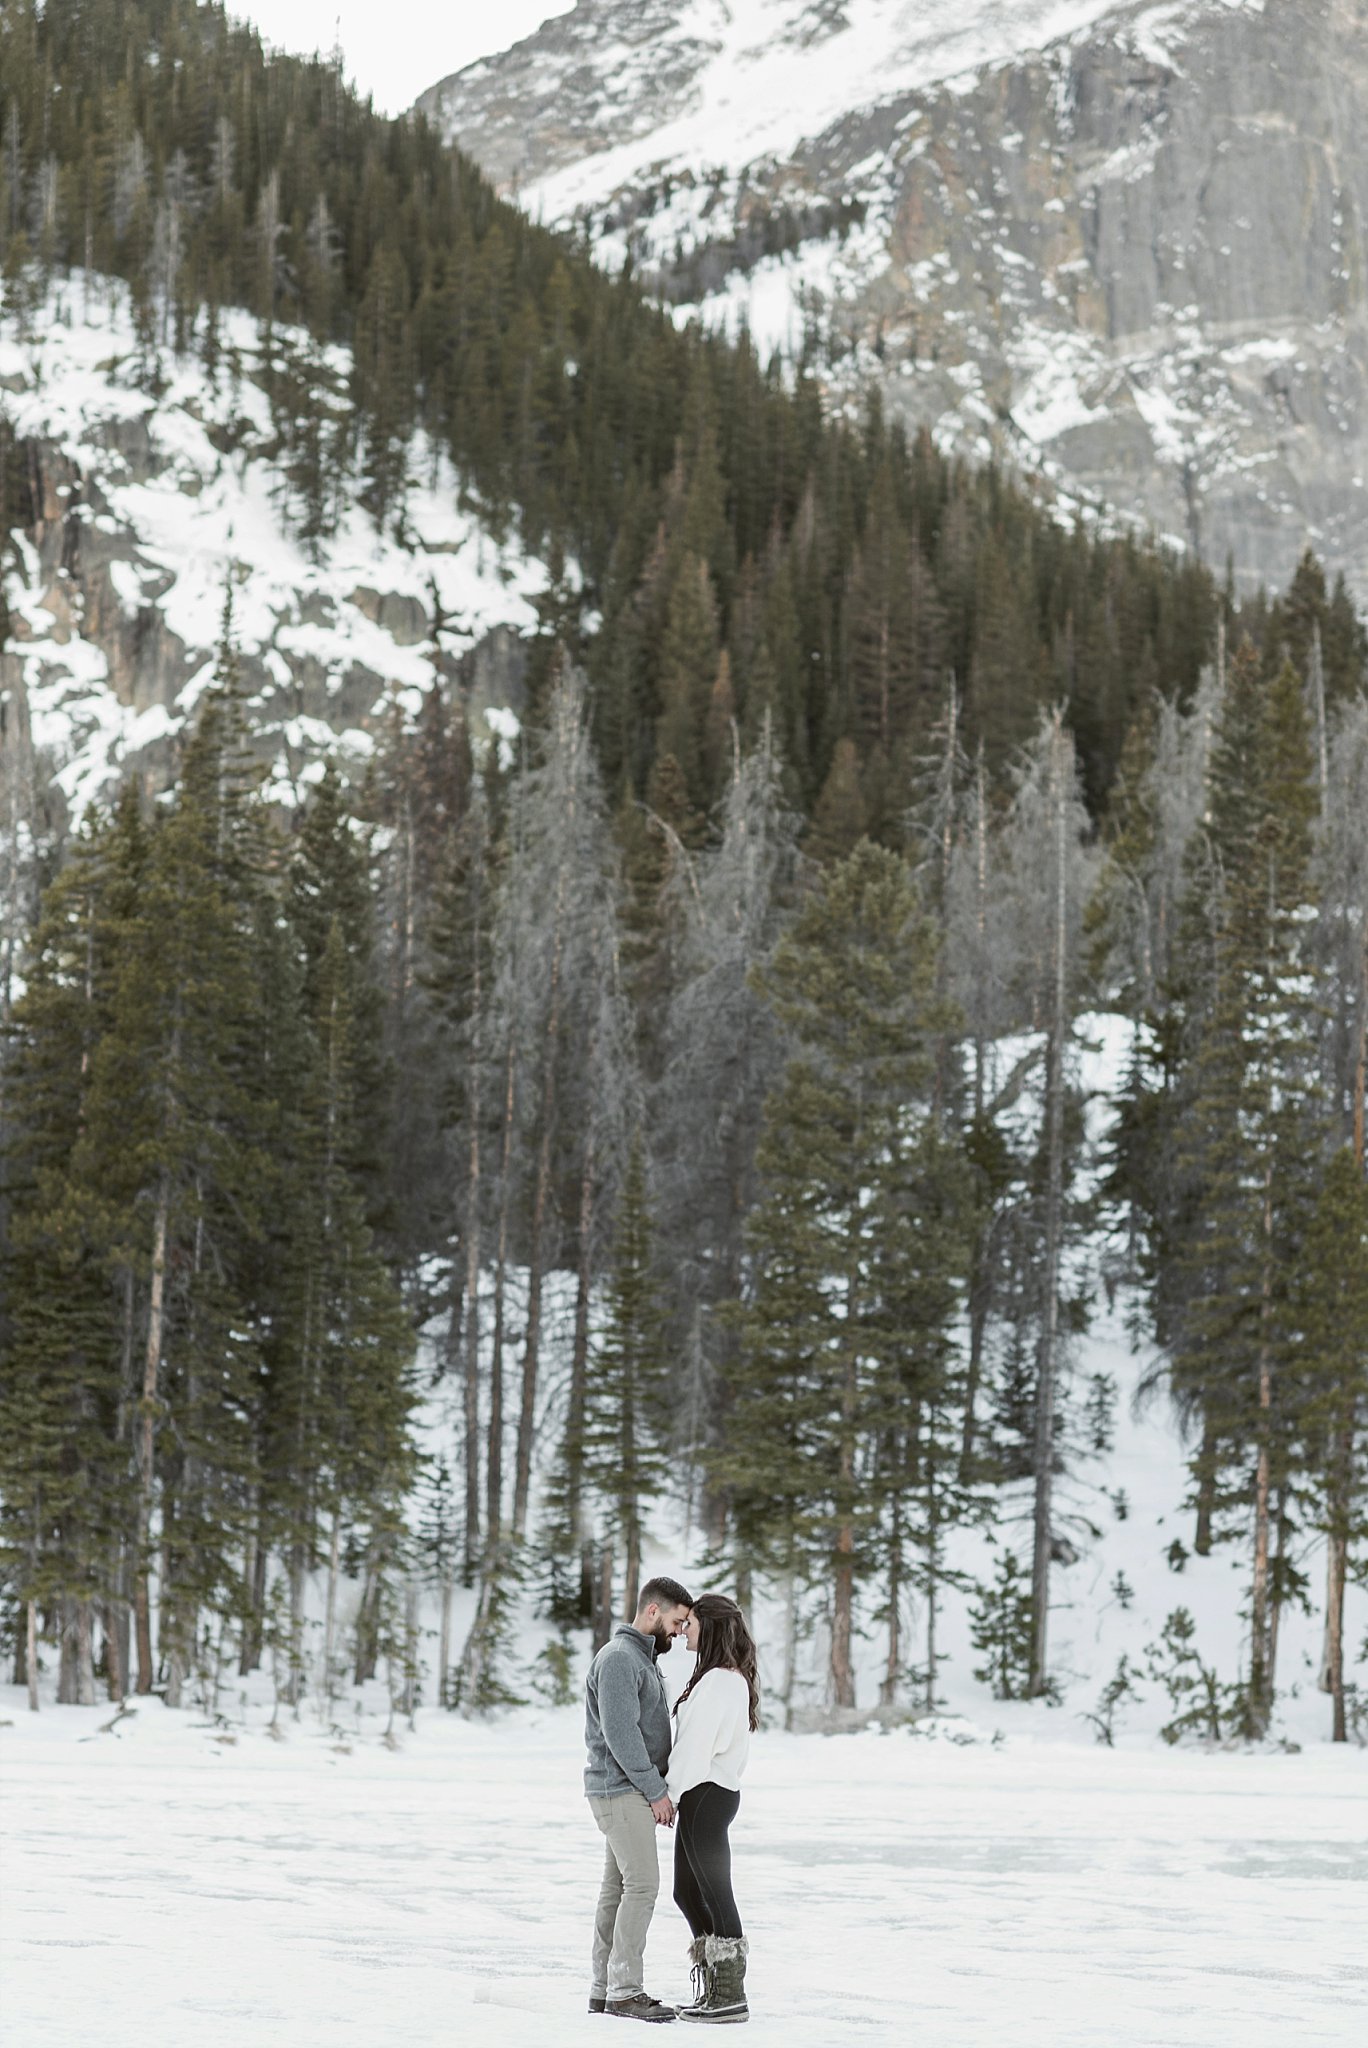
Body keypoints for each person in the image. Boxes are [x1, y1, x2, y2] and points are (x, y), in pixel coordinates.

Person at [584, 1576, 694, 2023]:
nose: (680, 1632)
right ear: (653, 1612)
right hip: (622, 1789)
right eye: (677, 1621)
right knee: (643, 1886)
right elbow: (620, 1734)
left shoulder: (639, 1660)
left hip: (626, 1789)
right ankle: (625, 1990)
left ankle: (605, 1988)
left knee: (618, 1889)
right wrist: (656, 1792)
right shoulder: (618, 1659)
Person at [666, 1595, 759, 2026]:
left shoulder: (721, 1681)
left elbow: (694, 1749)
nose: (684, 1629)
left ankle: (729, 1995)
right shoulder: (721, 1678)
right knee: (685, 1893)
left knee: (717, 1894)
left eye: (691, 1623)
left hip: (705, 1794)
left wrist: (667, 1795)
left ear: (711, 1627)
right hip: (707, 1795)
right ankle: (716, 1985)